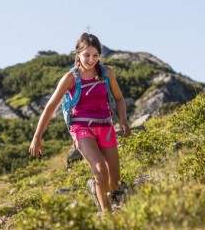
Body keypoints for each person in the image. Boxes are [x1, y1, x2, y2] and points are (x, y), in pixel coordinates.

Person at [29, 33, 131, 212]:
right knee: (100, 170)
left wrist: (123, 120)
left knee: (113, 182)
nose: (91, 60)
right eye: (87, 55)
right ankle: (107, 217)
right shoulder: (70, 78)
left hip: (105, 125)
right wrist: (37, 137)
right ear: (78, 54)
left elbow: (119, 99)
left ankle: (95, 188)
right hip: (81, 127)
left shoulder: (107, 73)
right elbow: (50, 107)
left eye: (95, 55)